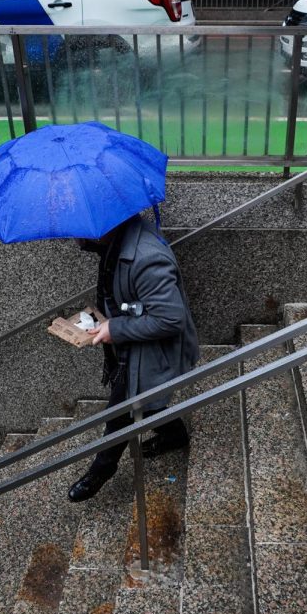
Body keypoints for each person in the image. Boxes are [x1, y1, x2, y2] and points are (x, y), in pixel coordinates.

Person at [67, 210, 199, 502]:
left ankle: (102, 468)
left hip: (154, 349)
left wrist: (116, 327)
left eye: (77, 229)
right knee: (143, 403)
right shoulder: (118, 241)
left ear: (103, 226)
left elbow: (170, 319)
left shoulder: (146, 258)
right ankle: (174, 434)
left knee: (121, 410)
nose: (73, 237)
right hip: (133, 346)